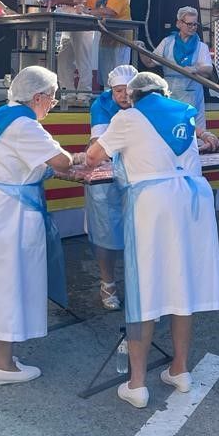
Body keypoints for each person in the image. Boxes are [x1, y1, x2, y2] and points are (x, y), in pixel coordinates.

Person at [77, 72, 219, 409]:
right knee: (181, 286)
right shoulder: (185, 112)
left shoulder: (128, 117)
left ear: (135, 95)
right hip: (192, 204)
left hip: (152, 205)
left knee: (145, 288)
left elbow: (95, 156)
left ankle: (137, 383)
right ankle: (180, 370)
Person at [0, 66, 74, 386]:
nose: (54, 103)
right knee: (7, 282)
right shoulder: (26, 126)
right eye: (53, 97)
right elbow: (62, 162)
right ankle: (3, 366)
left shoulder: (6, 115)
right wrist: (86, 161)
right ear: (38, 97)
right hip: (10, 213)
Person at [83, 64, 138, 310]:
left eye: (128, 90)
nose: (124, 96)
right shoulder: (101, 105)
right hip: (106, 174)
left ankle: (141, 283)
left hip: (138, 172)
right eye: (118, 91)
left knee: (139, 232)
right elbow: (99, 143)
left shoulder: (146, 101)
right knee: (106, 231)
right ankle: (108, 283)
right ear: (111, 91)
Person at [139, 7, 213, 128]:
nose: (193, 27)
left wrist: (195, 69)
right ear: (179, 24)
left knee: (191, 130)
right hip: (170, 92)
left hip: (191, 94)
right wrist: (141, 50)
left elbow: (208, 70)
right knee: (169, 127)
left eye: (195, 24)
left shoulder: (201, 47)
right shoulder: (167, 43)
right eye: (189, 24)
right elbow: (150, 63)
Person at [42, 0, 95, 102]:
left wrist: (59, 0)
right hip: (68, 21)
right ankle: (68, 93)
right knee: (64, 57)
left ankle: (84, 94)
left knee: (82, 59)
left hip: (82, 21)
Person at [83, 0, 132, 83]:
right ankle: (107, 91)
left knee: (119, 69)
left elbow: (110, 11)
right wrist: (80, 0)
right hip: (107, 34)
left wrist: (89, 11)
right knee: (106, 69)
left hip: (121, 36)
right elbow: (88, 3)